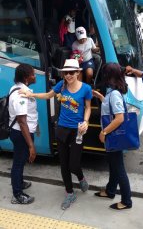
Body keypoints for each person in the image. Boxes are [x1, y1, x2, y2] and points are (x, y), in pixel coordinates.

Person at [20, 59, 92, 210]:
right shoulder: (62, 85)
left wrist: (86, 121)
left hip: (77, 131)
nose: (68, 76)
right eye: (65, 73)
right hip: (61, 129)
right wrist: (29, 94)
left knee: (74, 165)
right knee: (64, 164)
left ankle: (80, 177)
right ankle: (69, 192)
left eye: (71, 72)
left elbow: (88, 107)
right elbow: (48, 95)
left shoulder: (86, 88)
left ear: (78, 72)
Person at [93, 63, 132, 210]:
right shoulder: (112, 92)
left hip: (112, 135)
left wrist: (104, 132)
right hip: (112, 136)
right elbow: (109, 106)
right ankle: (110, 191)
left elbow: (119, 118)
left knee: (119, 168)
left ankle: (127, 201)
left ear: (108, 75)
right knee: (113, 164)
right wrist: (101, 97)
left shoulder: (115, 94)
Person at [9, 63, 37, 204]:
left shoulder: (18, 88)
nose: (35, 75)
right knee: (19, 163)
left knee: (19, 161)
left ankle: (19, 182)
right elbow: (22, 121)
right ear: (26, 77)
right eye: (33, 73)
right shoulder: (21, 94)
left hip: (20, 133)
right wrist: (31, 145)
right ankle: (17, 194)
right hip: (21, 134)